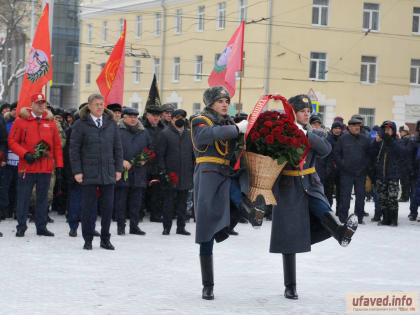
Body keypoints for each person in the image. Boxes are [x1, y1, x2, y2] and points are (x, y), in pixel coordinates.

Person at [270, 94, 357, 300]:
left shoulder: (311, 132)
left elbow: (326, 150)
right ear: (293, 113)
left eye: (308, 111)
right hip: (288, 185)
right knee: (289, 237)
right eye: (302, 111)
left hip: (310, 181)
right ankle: (290, 286)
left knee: (320, 206)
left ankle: (340, 232)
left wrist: (306, 135)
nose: (307, 114)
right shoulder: (280, 132)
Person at [192, 86, 265, 300]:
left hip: (226, 173)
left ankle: (253, 214)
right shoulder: (200, 119)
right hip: (208, 174)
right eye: (220, 101)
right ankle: (208, 285)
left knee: (236, 196)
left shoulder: (228, 122)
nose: (225, 104)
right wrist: (237, 128)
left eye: (227, 101)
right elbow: (205, 136)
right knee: (206, 233)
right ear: (210, 103)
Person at [70, 94, 123, 250]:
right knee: (87, 209)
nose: (100, 107)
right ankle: (87, 239)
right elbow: (74, 150)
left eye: (102, 104)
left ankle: (105, 239)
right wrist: (77, 171)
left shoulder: (111, 124)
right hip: (88, 172)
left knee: (108, 208)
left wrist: (118, 168)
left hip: (108, 172)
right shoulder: (80, 124)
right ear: (89, 106)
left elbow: (118, 148)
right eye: (97, 104)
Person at [8, 94, 63, 237]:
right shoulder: (21, 121)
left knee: (43, 198)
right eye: (38, 103)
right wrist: (25, 154)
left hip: (45, 167)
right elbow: (12, 141)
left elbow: (57, 145)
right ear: (31, 104)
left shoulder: (50, 122)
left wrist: (59, 165)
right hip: (27, 167)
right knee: (24, 198)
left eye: (42, 103)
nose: (40, 105)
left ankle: (41, 227)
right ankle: (21, 226)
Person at [157, 109, 193, 236]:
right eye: (177, 117)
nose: (180, 120)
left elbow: (193, 155)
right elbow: (160, 155)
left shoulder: (190, 134)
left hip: (186, 174)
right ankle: (166, 227)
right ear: (171, 119)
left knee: (182, 204)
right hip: (171, 175)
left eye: (183, 117)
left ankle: (181, 227)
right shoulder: (165, 133)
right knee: (168, 203)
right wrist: (163, 171)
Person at [115, 107, 150, 236]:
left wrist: (145, 159)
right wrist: (121, 161)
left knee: (136, 201)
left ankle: (134, 226)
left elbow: (150, 149)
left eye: (135, 117)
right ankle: (121, 226)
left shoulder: (144, 132)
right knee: (121, 200)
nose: (133, 119)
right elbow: (112, 149)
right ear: (124, 117)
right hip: (123, 170)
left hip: (139, 171)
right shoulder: (117, 130)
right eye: (130, 117)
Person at [334, 117, 371, 224]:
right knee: (345, 196)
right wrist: (343, 166)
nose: (357, 128)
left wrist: (365, 167)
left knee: (360, 196)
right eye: (354, 126)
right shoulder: (343, 139)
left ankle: (359, 217)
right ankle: (342, 218)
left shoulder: (365, 139)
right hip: (346, 173)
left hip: (361, 173)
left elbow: (369, 155)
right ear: (349, 127)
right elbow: (336, 154)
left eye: (358, 126)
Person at [371, 121, 406, 226]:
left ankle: (394, 219)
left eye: (389, 129)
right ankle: (385, 219)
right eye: (385, 129)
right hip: (381, 175)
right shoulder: (381, 142)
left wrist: (389, 139)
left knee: (392, 198)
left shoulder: (397, 141)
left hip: (393, 175)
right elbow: (371, 153)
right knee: (383, 199)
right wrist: (376, 142)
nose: (387, 131)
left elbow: (402, 151)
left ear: (393, 130)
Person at [142, 105, 165, 222]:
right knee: (141, 190)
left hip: (158, 165)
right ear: (148, 115)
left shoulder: (163, 129)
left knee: (157, 191)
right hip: (144, 164)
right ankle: (139, 213)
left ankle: (155, 214)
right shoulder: (142, 128)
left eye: (158, 116)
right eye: (153, 115)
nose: (156, 118)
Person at [324, 121, 344, 211]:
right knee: (329, 191)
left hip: (341, 169)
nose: (337, 130)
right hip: (329, 169)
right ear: (332, 129)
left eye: (339, 128)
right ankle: (329, 210)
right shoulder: (328, 138)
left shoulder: (344, 139)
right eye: (335, 128)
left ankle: (339, 211)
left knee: (340, 192)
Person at [407, 121, 420, 221]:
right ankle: (413, 212)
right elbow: (409, 157)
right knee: (415, 193)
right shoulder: (414, 140)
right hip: (416, 170)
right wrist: (411, 170)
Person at [398, 125, 411, 202]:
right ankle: (405, 196)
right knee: (404, 181)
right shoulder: (406, 139)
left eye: (401, 131)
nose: (400, 133)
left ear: (405, 132)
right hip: (405, 163)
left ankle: (405, 196)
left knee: (404, 181)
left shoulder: (406, 140)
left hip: (405, 164)